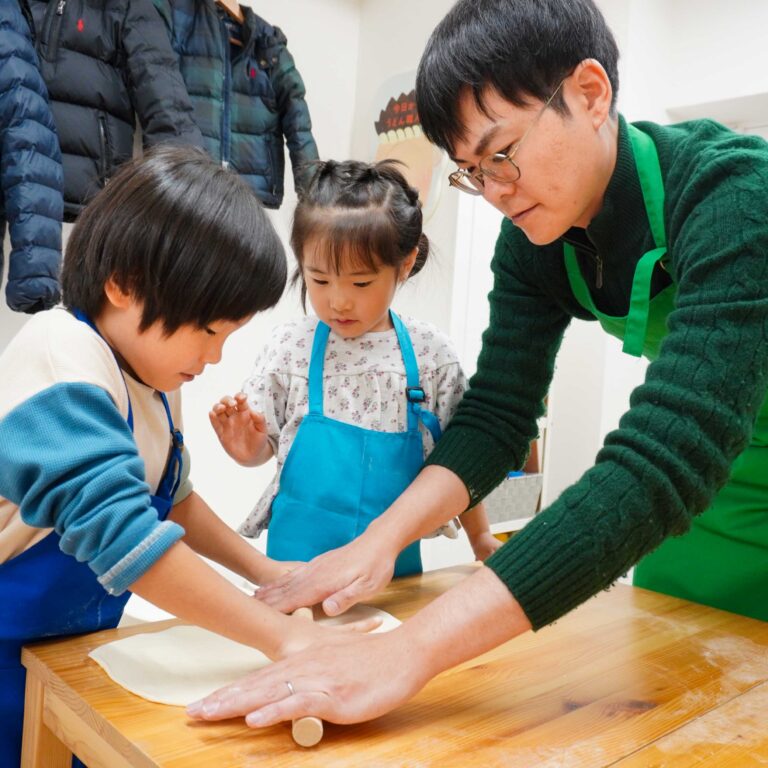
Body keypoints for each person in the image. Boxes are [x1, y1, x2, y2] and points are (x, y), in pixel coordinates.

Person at [186, 0, 768, 729]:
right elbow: (497, 416)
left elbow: (667, 453)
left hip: (693, 465)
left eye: (502, 154)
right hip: (717, 500)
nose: (494, 192)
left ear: (590, 93)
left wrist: (409, 652)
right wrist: (378, 543)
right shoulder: (534, 242)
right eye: (470, 172)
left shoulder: (736, 198)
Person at [0, 146, 375, 766]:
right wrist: (285, 639)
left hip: (68, 648)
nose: (215, 357)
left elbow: (172, 501)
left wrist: (269, 575)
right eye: (208, 331)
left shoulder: (152, 378)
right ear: (125, 284)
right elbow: (125, 538)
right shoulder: (60, 357)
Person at [209, 159, 499, 574]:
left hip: (393, 579)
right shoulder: (290, 349)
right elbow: (265, 447)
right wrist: (246, 448)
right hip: (291, 574)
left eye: (360, 282)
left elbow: (459, 460)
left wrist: (481, 536)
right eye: (320, 280)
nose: (338, 301)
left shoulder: (432, 356)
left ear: (405, 263)